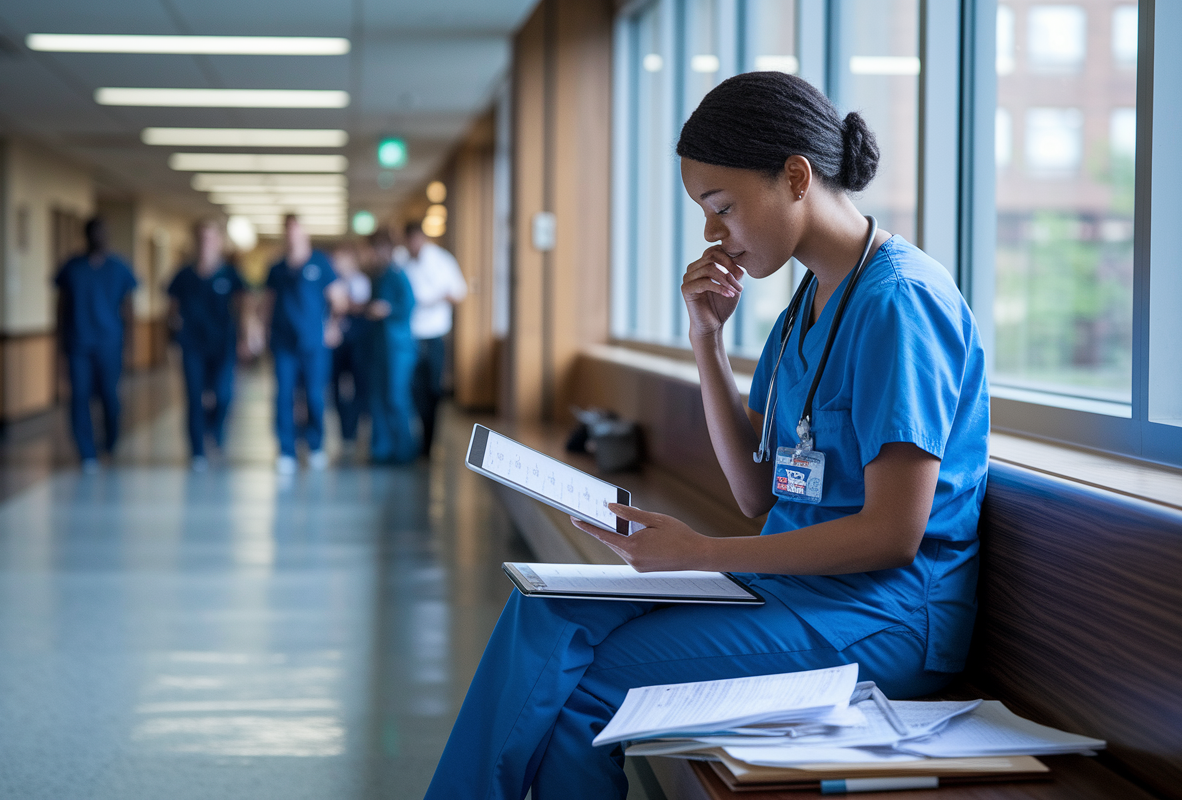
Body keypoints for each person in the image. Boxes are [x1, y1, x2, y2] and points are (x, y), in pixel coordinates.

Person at [424, 72, 989, 800]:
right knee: (546, 610)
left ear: (794, 177)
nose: (712, 232)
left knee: (587, 691)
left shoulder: (900, 302)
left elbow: (893, 535)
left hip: (884, 614)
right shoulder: (804, 309)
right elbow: (758, 491)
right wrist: (706, 341)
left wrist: (700, 554)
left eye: (721, 206)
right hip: (795, 587)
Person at [260, 215, 348, 475]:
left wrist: (332, 327)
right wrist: (261, 331)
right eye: (288, 232)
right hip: (283, 343)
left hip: (314, 344)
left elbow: (339, 301)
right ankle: (286, 449)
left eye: (297, 231)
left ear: (305, 233)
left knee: (314, 395)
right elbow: (268, 303)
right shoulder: (276, 268)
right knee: (284, 396)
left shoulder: (321, 263)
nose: (292, 237)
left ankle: (315, 445)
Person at [54, 217, 138, 473]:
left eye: (103, 233)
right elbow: (61, 306)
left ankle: (109, 444)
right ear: (87, 236)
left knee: (110, 399)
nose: (99, 238)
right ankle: (86, 452)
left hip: (109, 344)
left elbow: (128, 308)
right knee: (79, 398)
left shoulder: (119, 268)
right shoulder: (72, 267)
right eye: (94, 234)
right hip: (78, 344)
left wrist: (130, 344)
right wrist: (59, 344)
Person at [166, 220, 247, 472]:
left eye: (211, 238)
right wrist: (170, 338)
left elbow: (243, 306)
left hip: (223, 344)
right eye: (202, 238)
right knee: (194, 396)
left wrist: (246, 337)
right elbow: (172, 310)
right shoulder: (183, 275)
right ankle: (197, 450)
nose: (206, 244)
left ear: (220, 242)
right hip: (192, 345)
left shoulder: (231, 274)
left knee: (223, 395)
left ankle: (216, 433)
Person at [398, 221, 466, 457]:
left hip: (434, 335)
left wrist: (431, 300)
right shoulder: (403, 263)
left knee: (433, 389)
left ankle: (429, 442)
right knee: (412, 389)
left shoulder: (442, 261)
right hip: (410, 336)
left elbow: (458, 293)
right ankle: (416, 440)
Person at [363, 230, 418, 464]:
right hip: (378, 347)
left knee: (396, 397)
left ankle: (403, 450)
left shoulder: (398, 275)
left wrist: (388, 310)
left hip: (398, 347)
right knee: (377, 397)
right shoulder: (376, 277)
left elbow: (409, 305)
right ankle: (381, 449)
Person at [328, 243, 372, 460]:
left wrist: (346, 304)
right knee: (334, 385)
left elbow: (361, 307)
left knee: (358, 386)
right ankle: (343, 427)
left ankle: (353, 427)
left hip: (357, 342)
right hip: (336, 342)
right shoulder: (331, 281)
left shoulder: (361, 281)